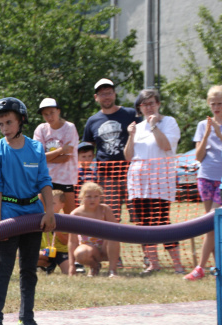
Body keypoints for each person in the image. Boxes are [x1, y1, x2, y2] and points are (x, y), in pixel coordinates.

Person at [0, 97, 55, 325]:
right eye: (0, 124)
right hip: (8, 215)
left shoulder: (35, 148)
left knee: (29, 269)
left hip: (33, 216)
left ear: (21, 120)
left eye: (9, 122)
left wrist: (49, 212)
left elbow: (44, 182)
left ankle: (27, 319)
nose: (4, 128)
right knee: (4, 268)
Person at [124, 89, 183, 275]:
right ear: (139, 108)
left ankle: (178, 264)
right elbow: (128, 157)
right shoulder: (137, 127)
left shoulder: (169, 122)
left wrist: (154, 126)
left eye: (152, 103)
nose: (148, 107)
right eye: (144, 104)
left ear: (158, 104)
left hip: (160, 184)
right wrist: (131, 136)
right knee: (143, 224)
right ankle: (153, 263)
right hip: (138, 184)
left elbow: (166, 146)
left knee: (162, 222)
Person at [82, 78, 138, 222]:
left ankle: (147, 245)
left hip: (131, 174)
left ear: (115, 94)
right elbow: (87, 149)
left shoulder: (130, 114)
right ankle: (111, 245)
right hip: (106, 176)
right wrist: (85, 173)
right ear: (96, 98)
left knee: (140, 217)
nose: (106, 96)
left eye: (109, 93)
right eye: (102, 94)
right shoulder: (92, 121)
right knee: (110, 219)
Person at [184, 86, 222, 280]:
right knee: (211, 225)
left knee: (214, 221)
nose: (216, 107)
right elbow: (198, 156)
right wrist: (207, 134)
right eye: (213, 103)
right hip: (206, 176)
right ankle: (217, 268)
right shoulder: (202, 125)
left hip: (221, 180)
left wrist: (218, 131)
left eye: (220, 103)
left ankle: (200, 267)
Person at [34, 98, 79, 215]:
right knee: (42, 215)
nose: (49, 117)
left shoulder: (69, 127)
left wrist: (46, 157)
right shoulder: (41, 129)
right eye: (45, 114)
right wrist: (61, 150)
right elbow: (38, 158)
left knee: (70, 218)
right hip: (46, 178)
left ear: (58, 111)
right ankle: (50, 234)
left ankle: (64, 234)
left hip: (65, 179)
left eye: (52, 112)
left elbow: (66, 157)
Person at [68, 182, 121, 277]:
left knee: (113, 235)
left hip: (106, 247)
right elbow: (72, 241)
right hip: (88, 248)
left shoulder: (105, 209)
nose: (92, 199)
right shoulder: (75, 214)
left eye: (96, 196)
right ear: (82, 197)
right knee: (80, 254)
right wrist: (71, 266)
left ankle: (112, 270)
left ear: (100, 197)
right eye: (89, 196)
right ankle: (94, 266)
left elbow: (117, 230)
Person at [37, 190, 70, 274]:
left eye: (53, 203)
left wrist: (58, 232)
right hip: (46, 251)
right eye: (48, 203)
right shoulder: (42, 217)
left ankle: (65, 263)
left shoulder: (66, 220)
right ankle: (49, 265)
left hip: (62, 251)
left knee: (67, 272)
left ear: (62, 205)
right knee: (31, 257)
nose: (50, 205)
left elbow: (66, 241)